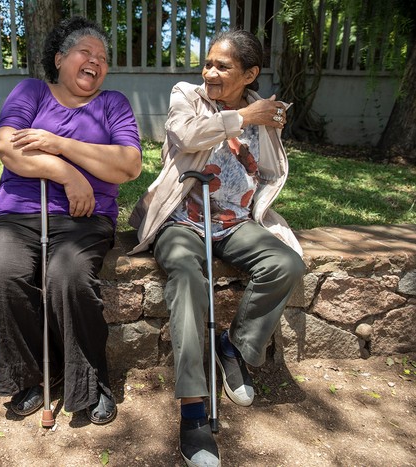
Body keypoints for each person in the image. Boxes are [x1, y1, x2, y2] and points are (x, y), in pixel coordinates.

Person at [129, 30, 306, 466]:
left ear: (249, 74)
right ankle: (193, 411)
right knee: (188, 280)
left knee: (285, 262)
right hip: (182, 220)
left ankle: (235, 347)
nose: (209, 72)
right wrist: (245, 117)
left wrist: (265, 128)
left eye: (222, 67)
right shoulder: (186, 95)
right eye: (208, 63)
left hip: (235, 221)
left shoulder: (262, 113)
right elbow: (186, 136)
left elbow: (267, 169)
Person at [0, 16, 142, 425]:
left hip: (84, 219)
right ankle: (29, 377)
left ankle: (90, 381)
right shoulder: (31, 91)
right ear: (60, 58)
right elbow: (5, 144)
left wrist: (57, 143)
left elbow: (128, 165)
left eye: (102, 57)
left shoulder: (113, 104)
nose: (96, 61)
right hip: (17, 213)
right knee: (1, 271)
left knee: (67, 276)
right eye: (86, 52)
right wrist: (67, 173)